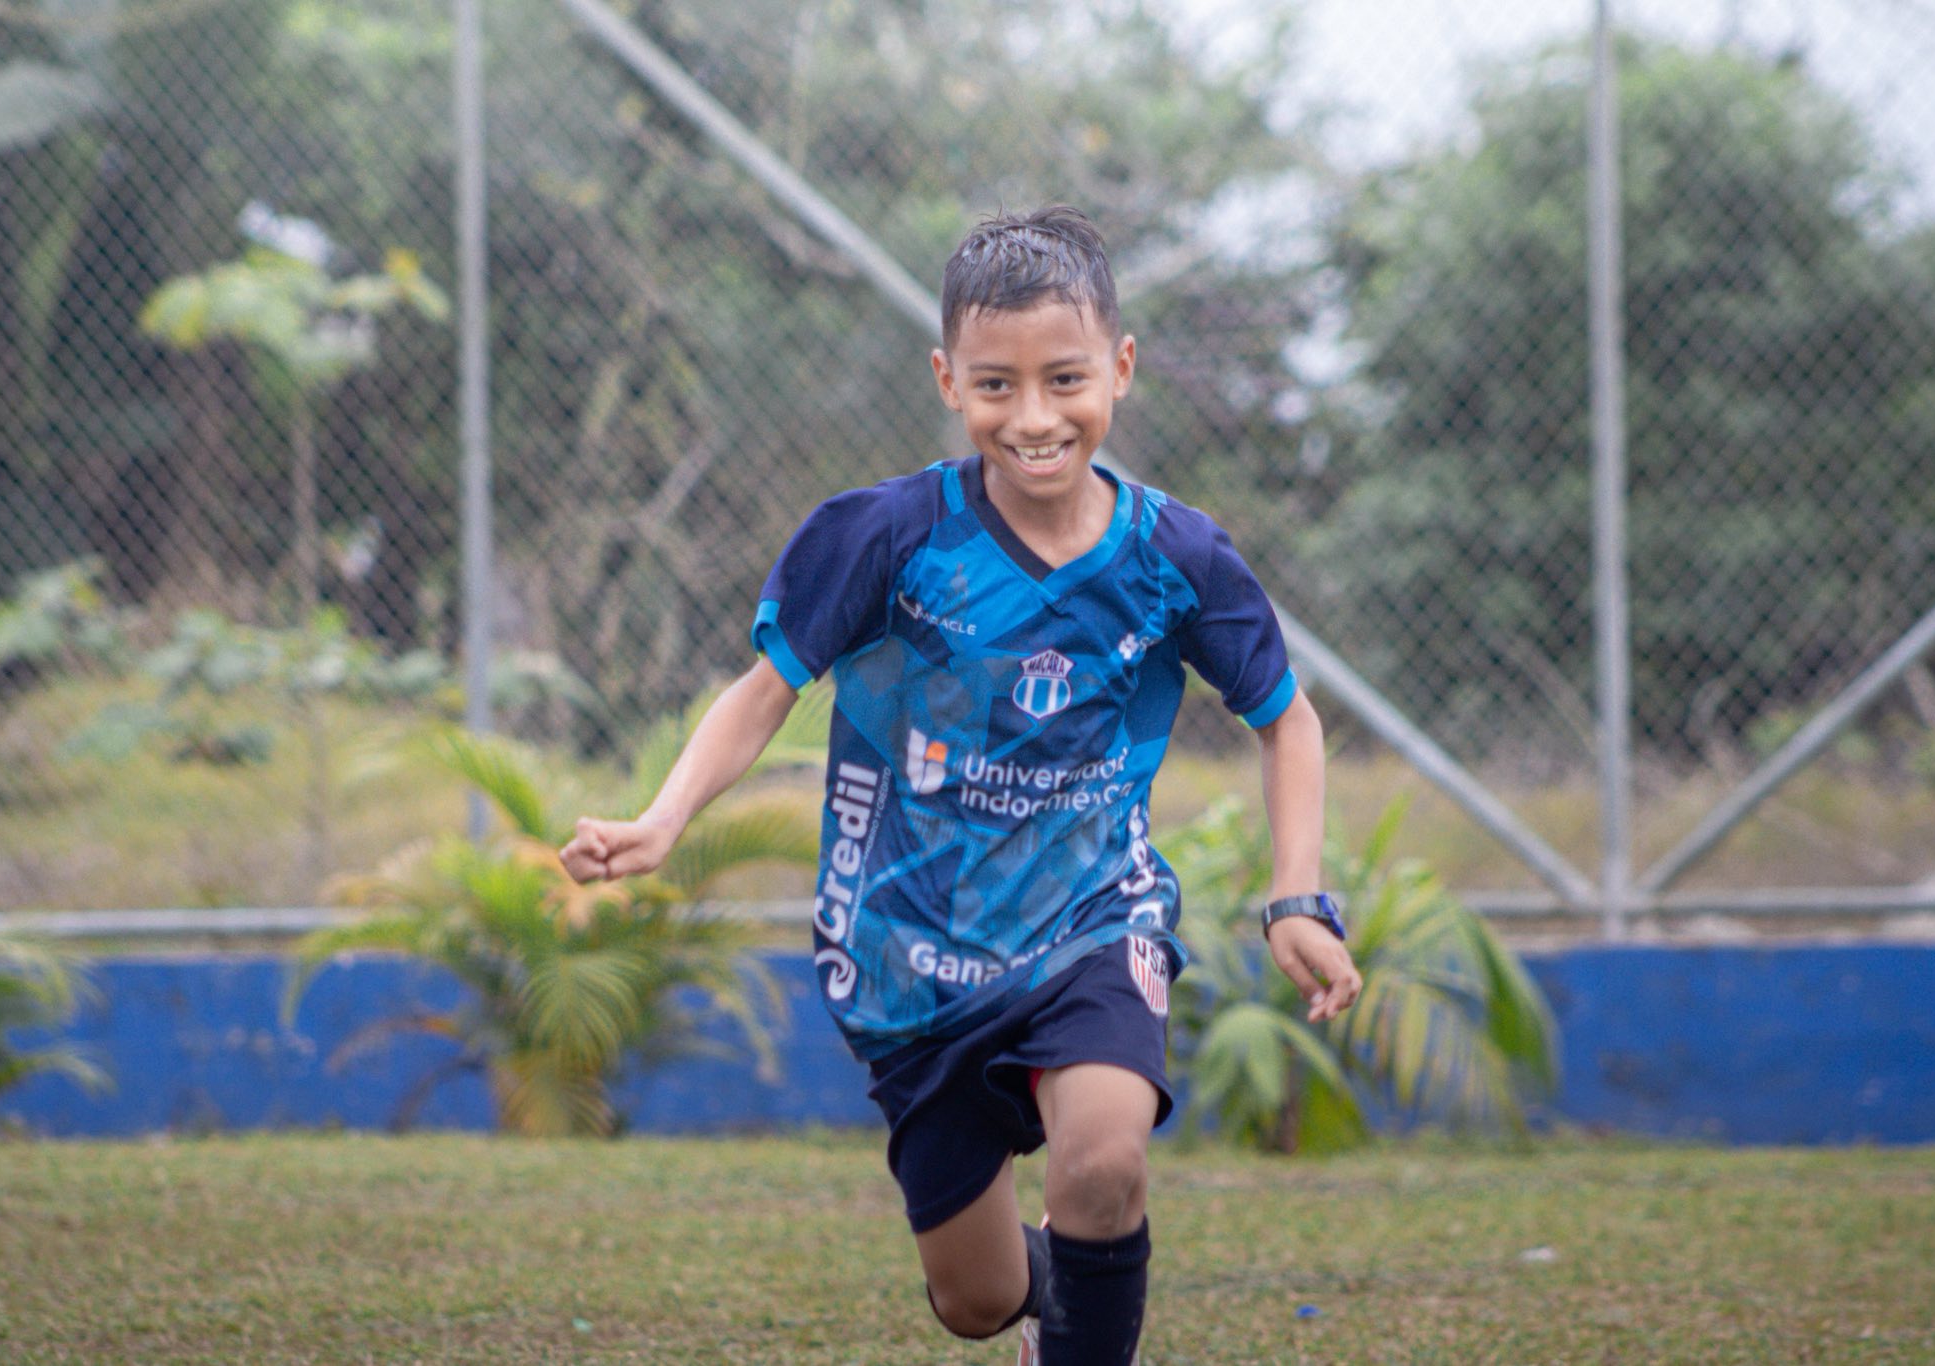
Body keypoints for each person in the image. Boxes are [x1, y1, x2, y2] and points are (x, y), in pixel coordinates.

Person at [559, 205, 1361, 1365]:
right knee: (976, 1300)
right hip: (911, 958)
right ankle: (1049, 1306)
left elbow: (1286, 722)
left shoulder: (1175, 558)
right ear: (947, 380)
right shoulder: (886, 538)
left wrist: (1296, 898)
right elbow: (765, 690)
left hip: (1093, 917)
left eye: (1064, 379)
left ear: (1120, 369)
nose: (1033, 417)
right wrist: (662, 817)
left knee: (1102, 1162)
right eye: (995, 385)